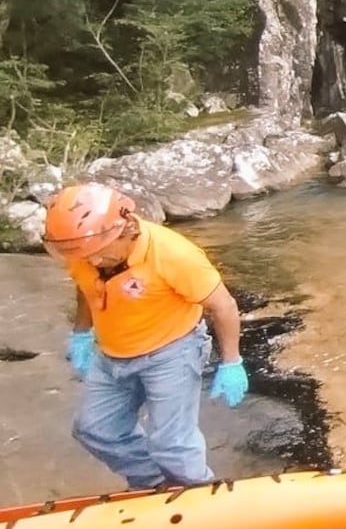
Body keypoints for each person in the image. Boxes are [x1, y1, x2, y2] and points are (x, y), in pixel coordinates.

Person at [42, 182, 250, 489]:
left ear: (125, 229)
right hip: (112, 353)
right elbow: (85, 288)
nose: (92, 261)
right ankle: (155, 485)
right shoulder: (82, 251)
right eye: (83, 255)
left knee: (172, 444)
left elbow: (223, 305)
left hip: (172, 350)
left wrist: (232, 362)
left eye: (99, 253)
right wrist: (82, 333)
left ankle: (202, 496)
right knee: (96, 430)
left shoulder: (172, 254)